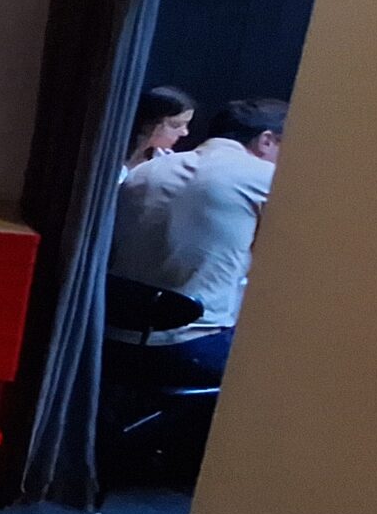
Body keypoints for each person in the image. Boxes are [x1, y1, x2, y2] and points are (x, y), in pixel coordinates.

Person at [109, 98, 285, 384]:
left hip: (112, 339)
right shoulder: (266, 178)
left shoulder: (144, 171)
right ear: (266, 141)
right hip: (188, 347)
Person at [124, 85, 197, 178]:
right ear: (149, 124)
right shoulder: (112, 156)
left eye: (186, 125)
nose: (184, 132)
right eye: (175, 125)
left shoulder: (168, 161)